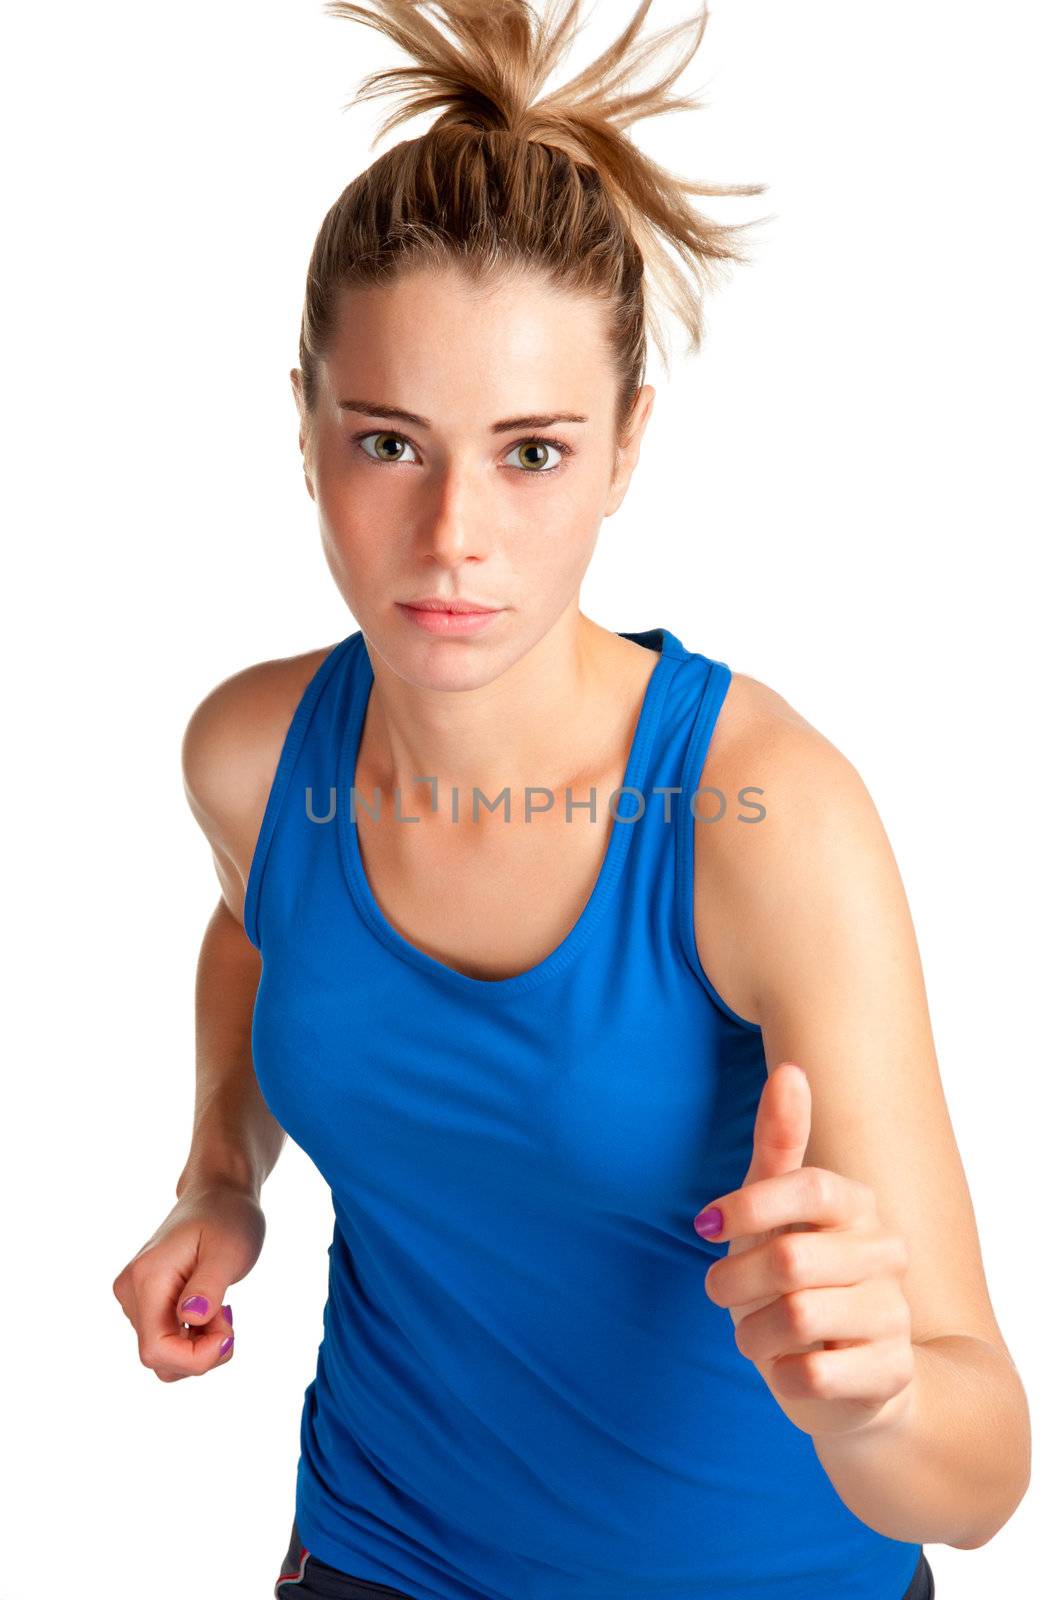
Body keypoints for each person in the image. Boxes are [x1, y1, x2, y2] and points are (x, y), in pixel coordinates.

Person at [112, 3, 1029, 1596]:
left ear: (623, 453)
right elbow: (258, 926)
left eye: (530, 453)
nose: (454, 531)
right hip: (371, 1556)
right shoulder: (257, 758)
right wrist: (217, 1172)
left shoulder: (763, 821)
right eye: (390, 441)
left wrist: (873, 1393)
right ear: (306, 431)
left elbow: (983, 1474)